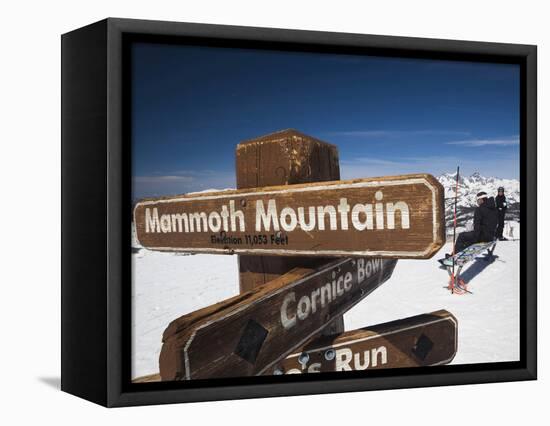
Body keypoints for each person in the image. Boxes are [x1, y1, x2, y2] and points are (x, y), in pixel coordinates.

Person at [448, 191, 498, 256]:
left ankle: (454, 255)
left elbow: (477, 226)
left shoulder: (479, 209)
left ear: (481, 199)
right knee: (468, 237)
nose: (477, 202)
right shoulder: (494, 209)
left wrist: (475, 239)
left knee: (462, 236)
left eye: (478, 200)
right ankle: (459, 253)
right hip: (491, 236)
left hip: (483, 237)